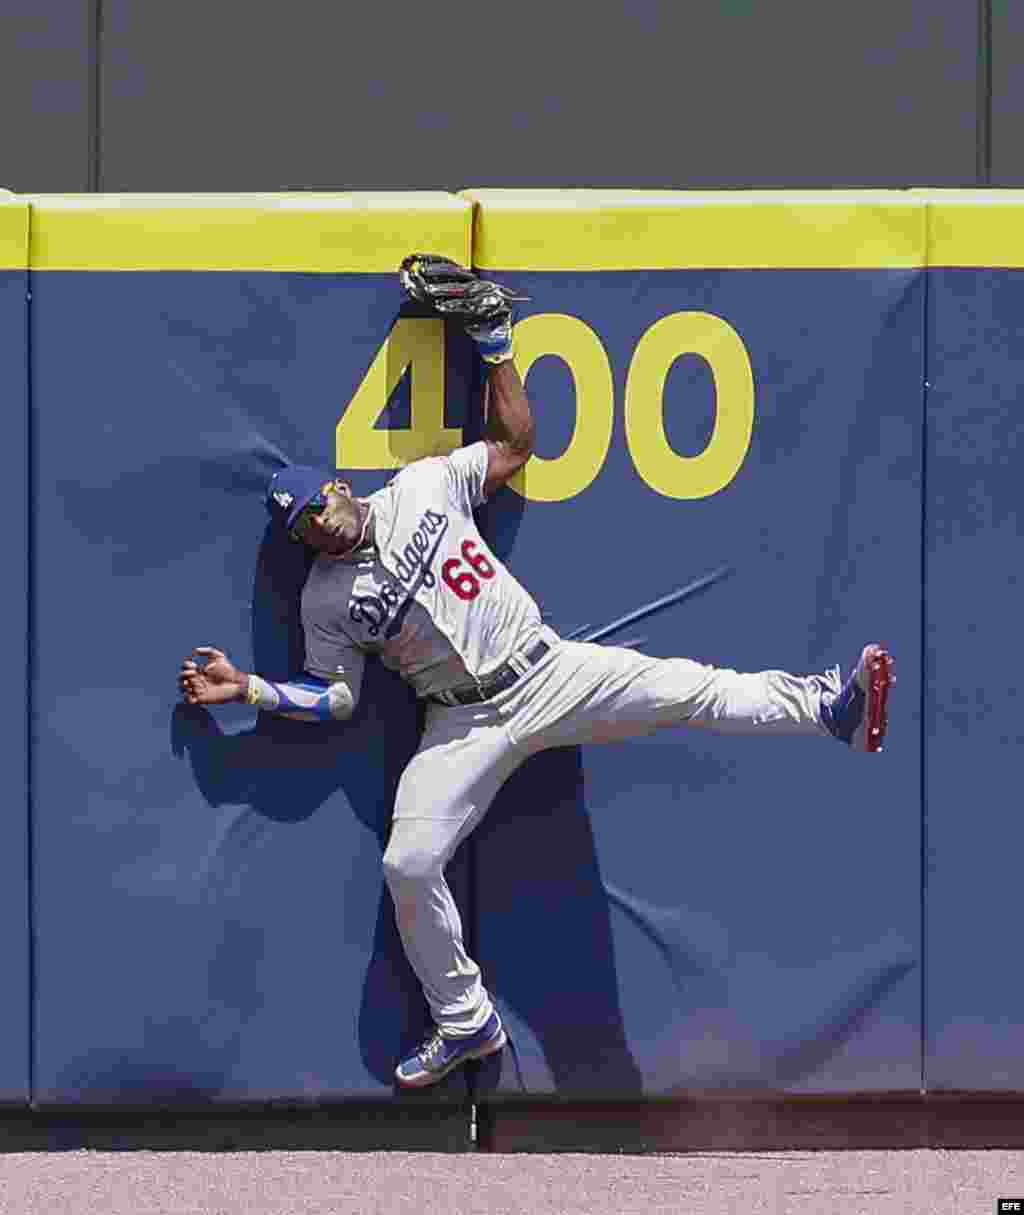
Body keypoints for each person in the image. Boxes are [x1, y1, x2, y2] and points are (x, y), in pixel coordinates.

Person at [178, 281, 895, 1089]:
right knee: (409, 863)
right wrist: (252, 692)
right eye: (302, 524)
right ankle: (466, 1022)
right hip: (460, 724)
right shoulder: (323, 597)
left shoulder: (420, 485)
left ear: (340, 487)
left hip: (545, 669)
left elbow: (515, 446)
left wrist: (496, 344)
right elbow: (336, 697)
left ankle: (828, 705)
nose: (318, 524)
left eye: (318, 504)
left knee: (687, 688)